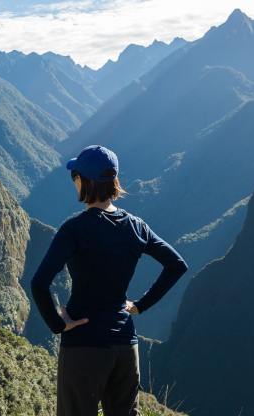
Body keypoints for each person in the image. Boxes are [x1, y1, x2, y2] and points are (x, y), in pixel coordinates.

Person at [30, 145, 188, 416]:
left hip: (84, 344)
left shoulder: (74, 229)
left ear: (83, 181)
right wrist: (140, 306)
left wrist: (58, 324)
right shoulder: (136, 226)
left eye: (74, 177)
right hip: (125, 345)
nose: (74, 182)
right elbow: (176, 265)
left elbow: (39, 283)